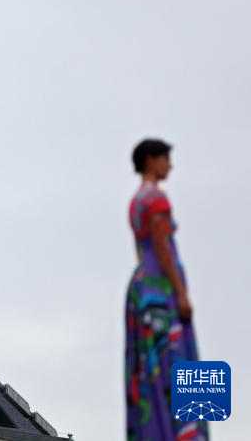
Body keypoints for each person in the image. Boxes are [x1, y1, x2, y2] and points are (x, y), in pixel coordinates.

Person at [125, 140, 207, 440]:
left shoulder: (135, 201)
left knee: (150, 365)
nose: (170, 165)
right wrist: (181, 292)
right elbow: (162, 246)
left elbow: (140, 249)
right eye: (166, 158)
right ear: (151, 160)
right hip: (163, 288)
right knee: (177, 360)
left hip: (143, 290)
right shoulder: (156, 198)